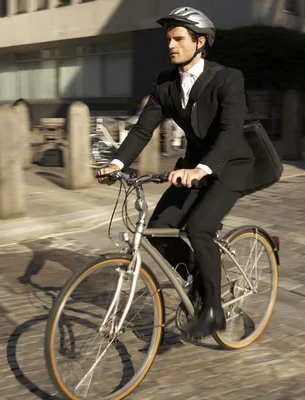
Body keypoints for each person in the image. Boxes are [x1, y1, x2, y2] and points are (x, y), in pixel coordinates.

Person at [96, 6, 259, 339]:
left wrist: (202, 168)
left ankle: (214, 311)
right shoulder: (166, 84)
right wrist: (117, 163)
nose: (170, 44)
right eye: (168, 39)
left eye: (178, 38)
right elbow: (143, 130)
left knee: (199, 228)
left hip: (232, 164)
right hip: (194, 166)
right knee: (157, 230)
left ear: (199, 41)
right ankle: (200, 286)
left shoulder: (228, 78)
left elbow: (230, 132)